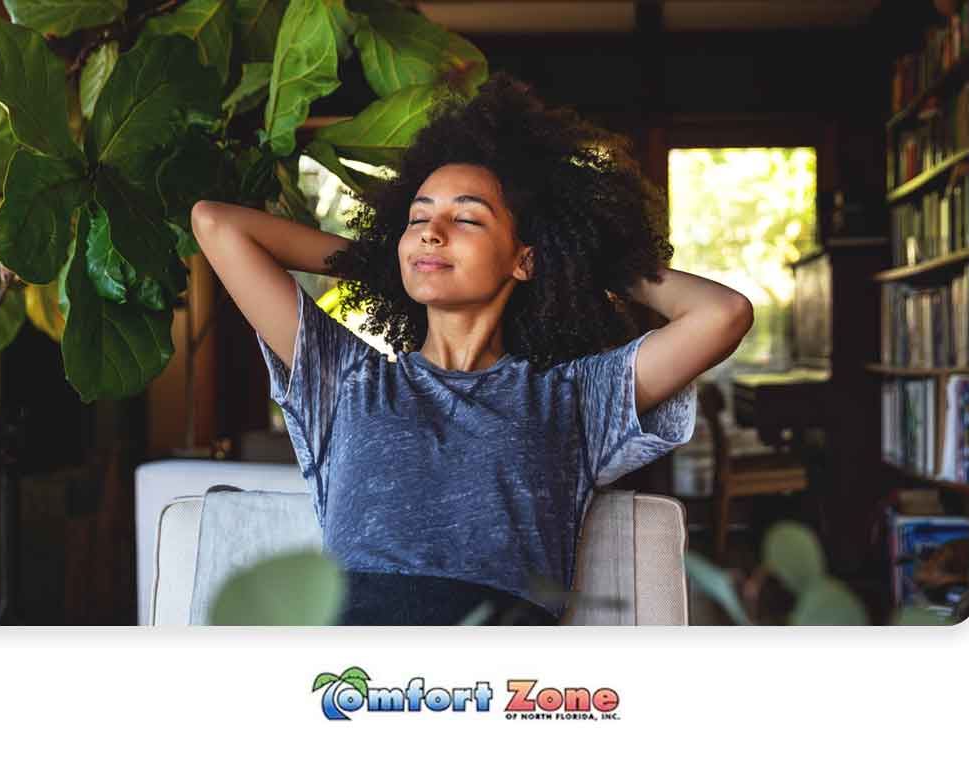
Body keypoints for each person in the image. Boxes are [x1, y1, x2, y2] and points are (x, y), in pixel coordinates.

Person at [191, 71, 753, 625]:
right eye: (417, 218)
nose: (432, 231)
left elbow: (722, 314)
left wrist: (586, 261)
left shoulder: (576, 400)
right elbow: (215, 224)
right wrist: (388, 261)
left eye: (465, 218)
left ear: (524, 258)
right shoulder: (346, 378)